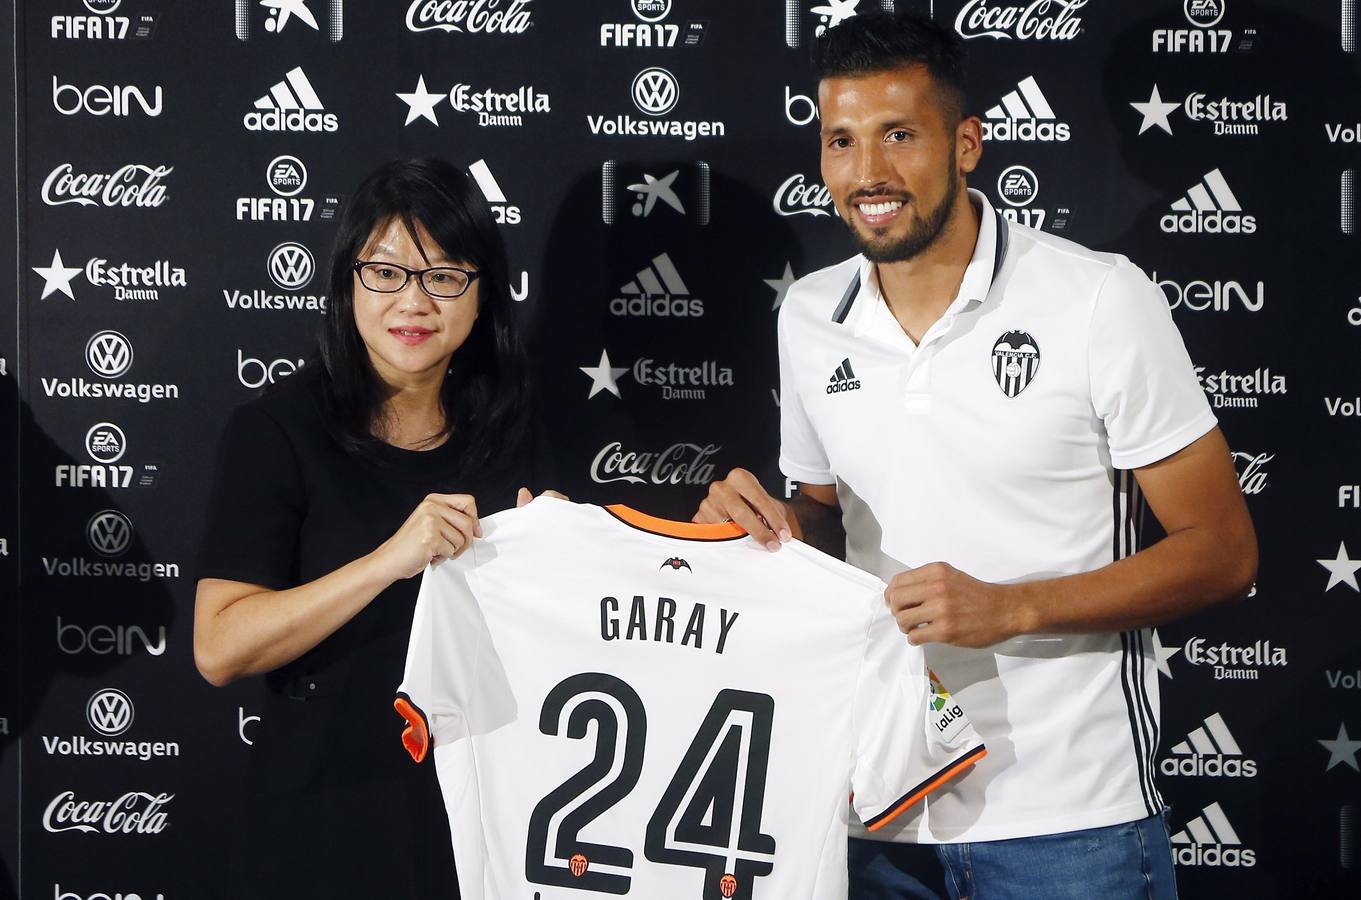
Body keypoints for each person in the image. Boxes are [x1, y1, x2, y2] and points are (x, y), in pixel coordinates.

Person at [694, 13, 1256, 900]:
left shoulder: (1098, 299)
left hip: (1069, 821)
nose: (867, 173)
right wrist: (750, 530)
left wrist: (1013, 607)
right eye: (840, 141)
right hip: (873, 804)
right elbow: (821, 520)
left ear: (966, 145)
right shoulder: (806, 315)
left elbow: (1221, 552)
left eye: (898, 136)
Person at [194, 158, 554, 898]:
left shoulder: (518, 434)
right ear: (347, 285)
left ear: (482, 294)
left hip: (480, 811)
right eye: (386, 272)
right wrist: (389, 559)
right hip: (324, 815)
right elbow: (219, 646)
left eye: (444, 274)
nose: (413, 301)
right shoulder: (277, 430)